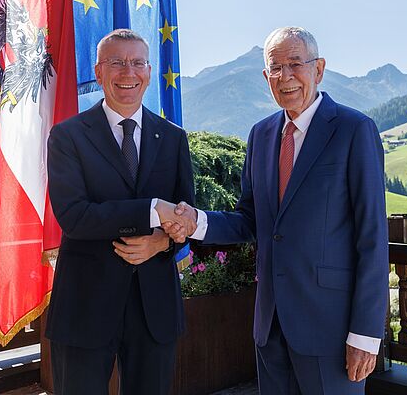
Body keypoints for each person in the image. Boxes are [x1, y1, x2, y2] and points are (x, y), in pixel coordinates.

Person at [163, 27, 388, 394]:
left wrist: (365, 333)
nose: (285, 77)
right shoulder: (261, 134)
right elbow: (250, 219)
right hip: (270, 327)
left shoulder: (353, 130)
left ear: (319, 69)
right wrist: (195, 222)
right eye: (275, 68)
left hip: (331, 330)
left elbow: (373, 238)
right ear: (266, 77)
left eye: (295, 64)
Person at [45, 29, 196, 395]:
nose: (128, 72)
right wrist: (149, 210)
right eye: (117, 62)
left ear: (148, 70)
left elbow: (184, 218)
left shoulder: (174, 138)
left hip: (154, 310)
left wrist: (162, 243)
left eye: (137, 62)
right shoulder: (67, 137)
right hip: (85, 307)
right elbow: (74, 216)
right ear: (99, 72)